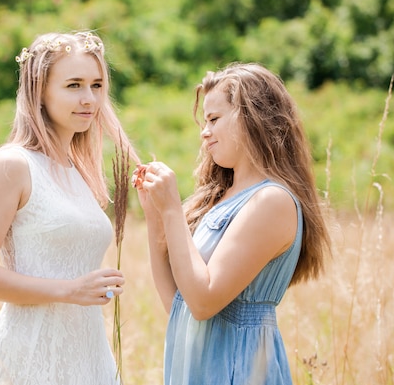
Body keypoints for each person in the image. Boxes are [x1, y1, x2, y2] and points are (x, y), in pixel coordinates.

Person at [0, 31, 138, 385]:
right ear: (40, 90)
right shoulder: (12, 164)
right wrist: (69, 291)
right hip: (29, 356)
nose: (89, 99)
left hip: (88, 355)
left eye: (97, 85)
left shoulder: (79, 172)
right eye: (74, 85)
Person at [133, 62, 331, 385]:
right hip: (198, 368)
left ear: (253, 117)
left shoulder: (272, 201)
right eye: (204, 121)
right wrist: (156, 217)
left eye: (213, 119)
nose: (204, 131)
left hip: (238, 370)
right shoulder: (221, 198)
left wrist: (172, 208)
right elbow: (179, 307)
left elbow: (203, 301)